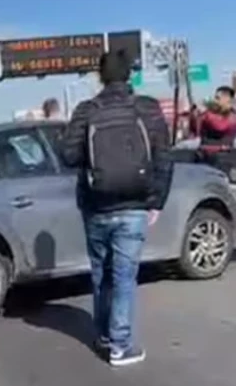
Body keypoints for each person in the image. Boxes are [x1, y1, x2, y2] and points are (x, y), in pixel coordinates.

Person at [60, 49, 173, 367]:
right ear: (129, 76)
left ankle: (105, 334)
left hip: (96, 204)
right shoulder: (146, 108)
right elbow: (164, 158)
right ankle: (121, 345)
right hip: (135, 203)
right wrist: (157, 201)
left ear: (100, 76)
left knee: (102, 272)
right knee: (124, 275)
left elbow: (68, 156)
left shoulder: (86, 110)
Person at [195, 86, 236, 154]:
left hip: (226, 154)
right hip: (207, 153)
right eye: (215, 97)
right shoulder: (208, 113)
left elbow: (222, 127)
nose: (215, 100)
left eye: (218, 98)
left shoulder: (232, 115)